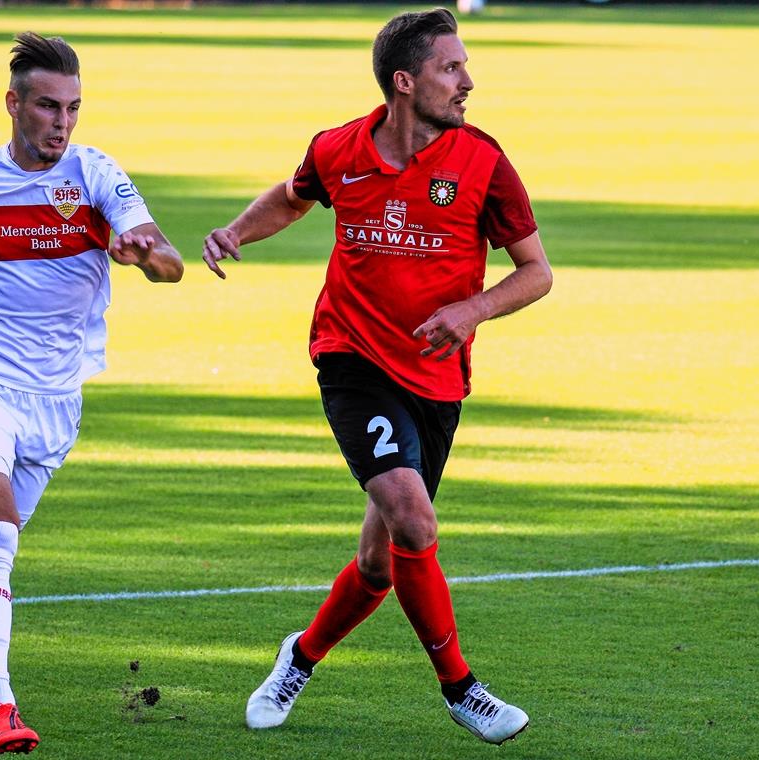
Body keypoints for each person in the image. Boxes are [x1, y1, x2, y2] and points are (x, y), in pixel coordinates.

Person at [203, 7, 551, 746]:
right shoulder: (339, 149)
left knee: (380, 560)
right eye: (451, 68)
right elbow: (293, 196)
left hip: (435, 378)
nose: (468, 82)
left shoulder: (484, 162)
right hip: (352, 357)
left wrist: (472, 310)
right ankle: (462, 689)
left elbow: (536, 273)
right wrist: (237, 230)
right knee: (414, 518)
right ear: (405, 81)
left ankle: (298, 656)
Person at [0, 32, 184, 754]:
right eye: (46, 106)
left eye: (72, 107)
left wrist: (144, 253)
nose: (61, 122)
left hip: (57, 402)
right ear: (13, 104)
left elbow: (170, 262)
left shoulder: (95, 174)